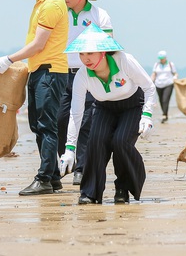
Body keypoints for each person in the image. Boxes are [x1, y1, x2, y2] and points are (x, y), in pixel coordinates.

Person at [0, 0, 69, 195]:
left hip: (51, 71)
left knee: (46, 126)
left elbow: (38, 45)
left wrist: (10, 59)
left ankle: (44, 178)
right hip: (40, 70)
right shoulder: (42, 1)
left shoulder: (52, 5)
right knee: (37, 125)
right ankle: (53, 176)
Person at [58, 24, 156, 204]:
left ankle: (123, 189)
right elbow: (76, 113)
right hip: (104, 108)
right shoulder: (82, 76)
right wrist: (69, 149)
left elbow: (149, 87)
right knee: (95, 142)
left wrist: (147, 115)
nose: (85, 59)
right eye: (82, 54)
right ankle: (90, 193)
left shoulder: (124, 61)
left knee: (120, 142)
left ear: (103, 52)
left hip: (132, 106)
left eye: (90, 53)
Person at [54, 0, 113, 186]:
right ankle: (66, 160)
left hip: (89, 74)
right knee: (61, 120)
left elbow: (108, 46)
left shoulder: (100, 15)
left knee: (87, 122)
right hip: (62, 73)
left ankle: (82, 168)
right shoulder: (60, 14)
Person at [151, 50, 178, 123]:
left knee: (165, 99)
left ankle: (164, 115)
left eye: (162, 58)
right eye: (160, 58)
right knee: (161, 100)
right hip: (158, 84)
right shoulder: (156, 65)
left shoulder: (170, 64)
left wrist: (175, 78)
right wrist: (150, 82)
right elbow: (154, 74)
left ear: (165, 57)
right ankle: (165, 114)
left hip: (168, 84)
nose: (161, 59)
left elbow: (175, 73)